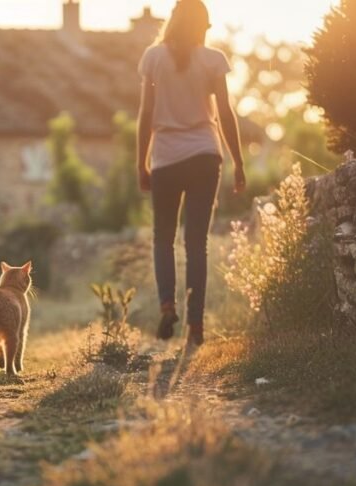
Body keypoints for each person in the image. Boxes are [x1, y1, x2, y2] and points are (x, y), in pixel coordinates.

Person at [136, 0, 245, 347]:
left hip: (166, 159)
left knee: (163, 239)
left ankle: (167, 304)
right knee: (196, 243)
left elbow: (145, 114)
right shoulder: (213, 60)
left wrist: (142, 161)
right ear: (202, 26)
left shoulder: (153, 58)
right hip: (204, 155)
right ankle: (196, 326)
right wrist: (238, 161)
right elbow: (226, 114)